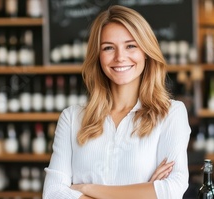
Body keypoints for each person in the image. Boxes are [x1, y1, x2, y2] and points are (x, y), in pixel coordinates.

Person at [43, 5, 191, 199]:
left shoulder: (171, 113)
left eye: (131, 46)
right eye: (108, 48)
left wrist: (88, 188)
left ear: (145, 51)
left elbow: (172, 189)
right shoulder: (72, 118)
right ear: (98, 56)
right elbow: (53, 193)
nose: (120, 57)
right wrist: (144, 191)